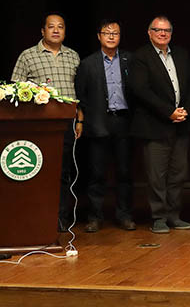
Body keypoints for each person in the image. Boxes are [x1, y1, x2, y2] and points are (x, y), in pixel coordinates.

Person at [11, 12, 81, 232]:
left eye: (60, 26)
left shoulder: (73, 56)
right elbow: (14, 91)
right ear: (43, 31)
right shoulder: (28, 56)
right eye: (51, 27)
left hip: (67, 125)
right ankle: (36, 216)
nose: (56, 30)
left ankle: (60, 217)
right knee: (39, 172)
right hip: (38, 128)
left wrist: (80, 119)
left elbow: (81, 93)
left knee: (63, 172)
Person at [129, 15, 190, 234]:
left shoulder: (182, 54)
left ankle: (174, 215)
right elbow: (141, 90)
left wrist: (183, 110)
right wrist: (168, 112)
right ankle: (158, 217)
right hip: (154, 125)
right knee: (156, 175)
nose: (162, 33)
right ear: (149, 32)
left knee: (178, 173)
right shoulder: (140, 57)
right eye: (158, 30)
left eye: (167, 30)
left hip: (180, 125)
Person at [75, 18, 135, 232]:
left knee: (125, 173)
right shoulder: (87, 63)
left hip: (124, 122)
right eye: (107, 33)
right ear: (99, 36)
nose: (111, 36)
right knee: (97, 173)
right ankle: (95, 216)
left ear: (120, 37)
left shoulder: (130, 59)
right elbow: (80, 95)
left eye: (115, 33)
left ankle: (124, 215)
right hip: (98, 122)